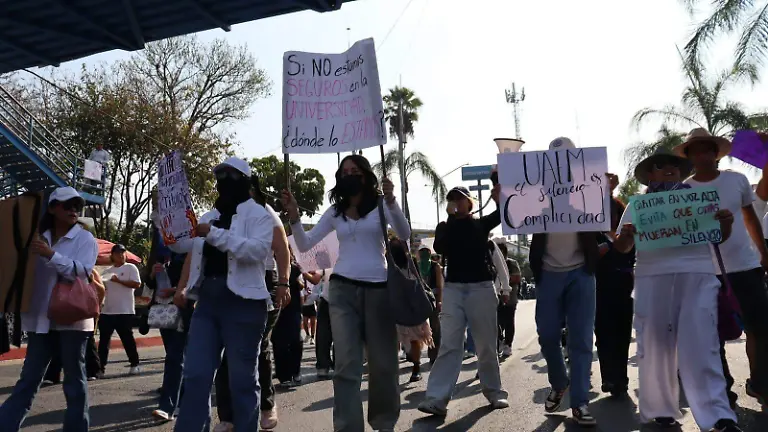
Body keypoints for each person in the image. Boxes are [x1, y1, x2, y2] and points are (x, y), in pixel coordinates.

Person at [614, 147, 741, 432]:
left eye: (674, 165)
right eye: (661, 165)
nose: (669, 169)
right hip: (651, 277)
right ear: (650, 174)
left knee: (702, 344)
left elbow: (718, 237)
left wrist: (725, 224)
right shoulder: (638, 206)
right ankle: (661, 408)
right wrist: (626, 236)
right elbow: (622, 248)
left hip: (696, 274)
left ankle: (718, 414)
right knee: (656, 345)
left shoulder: (698, 199)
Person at [282, 154, 410, 432]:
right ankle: (347, 427)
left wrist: (391, 201)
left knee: (384, 364)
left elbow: (404, 232)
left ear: (366, 176)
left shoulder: (380, 205)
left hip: (378, 290)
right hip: (341, 291)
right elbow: (304, 245)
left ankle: (384, 422)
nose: (349, 175)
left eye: (355, 171)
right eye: (344, 172)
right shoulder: (335, 212)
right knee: (346, 365)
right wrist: (294, 216)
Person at [171, 157, 289, 431]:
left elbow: (257, 251)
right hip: (208, 303)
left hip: (245, 304)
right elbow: (188, 249)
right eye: (220, 175)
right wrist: (168, 227)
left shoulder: (259, 214)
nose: (225, 180)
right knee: (196, 374)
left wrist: (214, 235)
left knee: (242, 381)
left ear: (247, 182)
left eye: (232, 175)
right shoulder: (207, 217)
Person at [679, 128, 768, 410]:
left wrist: (764, 254)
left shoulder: (737, 180)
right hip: (705, 272)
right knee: (712, 336)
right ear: (690, 156)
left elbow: (751, 217)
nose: (703, 154)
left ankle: (759, 383)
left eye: (708, 149)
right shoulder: (682, 191)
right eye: (697, 150)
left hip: (746, 266)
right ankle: (724, 392)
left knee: (760, 329)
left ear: (716, 153)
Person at [0, 187, 98, 432]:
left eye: (77, 205)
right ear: (53, 208)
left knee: (74, 381)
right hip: (40, 320)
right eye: (67, 205)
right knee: (29, 380)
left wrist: (50, 255)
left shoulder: (84, 238)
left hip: (72, 320)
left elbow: (83, 271)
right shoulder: (34, 236)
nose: (74, 210)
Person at [418, 185, 510, 417]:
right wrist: (450, 218)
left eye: (460, 199)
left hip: (481, 288)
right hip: (454, 290)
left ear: (470, 202)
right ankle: (436, 398)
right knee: (450, 345)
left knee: (486, 344)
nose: (456, 203)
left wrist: (500, 199)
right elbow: (440, 246)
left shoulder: (480, 224)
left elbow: (501, 215)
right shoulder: (444, 228)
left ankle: (494, 391)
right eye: (452, 200)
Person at [528, 138, 601, 426]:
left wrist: (608, 192)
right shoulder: (536, 193)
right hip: (548, 273)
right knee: (547, 336)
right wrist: (502, 193)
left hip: (581, 272)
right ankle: (560, 383)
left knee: (581, 341)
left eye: (566, 159)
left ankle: (580, 402)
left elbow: (602, 221)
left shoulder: (589, 190)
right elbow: (513, 211)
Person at [146, 189, 191, 422]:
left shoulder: (189, 235)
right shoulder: (159, 237)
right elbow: (147, 276)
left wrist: (178, 288)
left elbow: (195, 270)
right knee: (175, 355)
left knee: (175, 355)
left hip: (183, 303)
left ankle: (168, 405)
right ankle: (182, 400)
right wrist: (153, 274)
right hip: (163, 305)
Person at [594, 173, 635, 397]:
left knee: (622, 333)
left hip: (624, 287)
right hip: (599, 287)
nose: (609, 217)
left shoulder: (629, 233)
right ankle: (609, 378)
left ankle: (621, 379)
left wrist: (623, 240)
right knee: (603, 334)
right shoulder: (592, 234)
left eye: (613, 213)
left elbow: (631, 253)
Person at [98, 244, 143, 376]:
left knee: (127, 339)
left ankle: (135, 364)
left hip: (125, 310)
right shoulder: (107, 271)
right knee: (104, 340)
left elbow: (136, 284)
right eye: (117, 253)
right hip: (108, 310)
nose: (121, 255)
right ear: (112, 255)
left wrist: (118, 281)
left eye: (123, 253)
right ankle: (100, 367)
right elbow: (101, 287)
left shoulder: (130, 267)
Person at [272, 257, 306, 387]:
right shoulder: (271, 266)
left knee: (295, 340)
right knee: (278, 342)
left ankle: (295, 371)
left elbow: (302, 286)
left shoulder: (295, 268)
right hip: (277, 308)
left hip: (293, 309)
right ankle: (283, 375)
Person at [305, 268, 335, 379]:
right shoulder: (328, 259)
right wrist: (304, 270)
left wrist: (304, 271)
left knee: (325, 335)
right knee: (326, 335)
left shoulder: (327, 258)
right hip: (331, 300)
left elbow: (315, 279)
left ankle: (324, 366)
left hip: (329, 299)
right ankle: (328, 366)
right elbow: (315, 279)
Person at [416, 247, 443, 365]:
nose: (424, 255)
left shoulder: (435, 266)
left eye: (426, 253)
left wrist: (439, 301)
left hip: (433, 298)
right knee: (417, 327)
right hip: (419, 299)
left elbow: (439, 285)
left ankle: (434, 353)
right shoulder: (416, 266)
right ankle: (414, 353)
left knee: (435, 327)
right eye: (422, 253)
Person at [495, 242, 519, 357]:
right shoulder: (492, 263)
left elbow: (516, 277)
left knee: (509, 322)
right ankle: (500, 340)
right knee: (496, 322)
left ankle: (508, 344)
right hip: (495, 297)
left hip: (510, 298)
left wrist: (503, 280)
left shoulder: (511, 263)